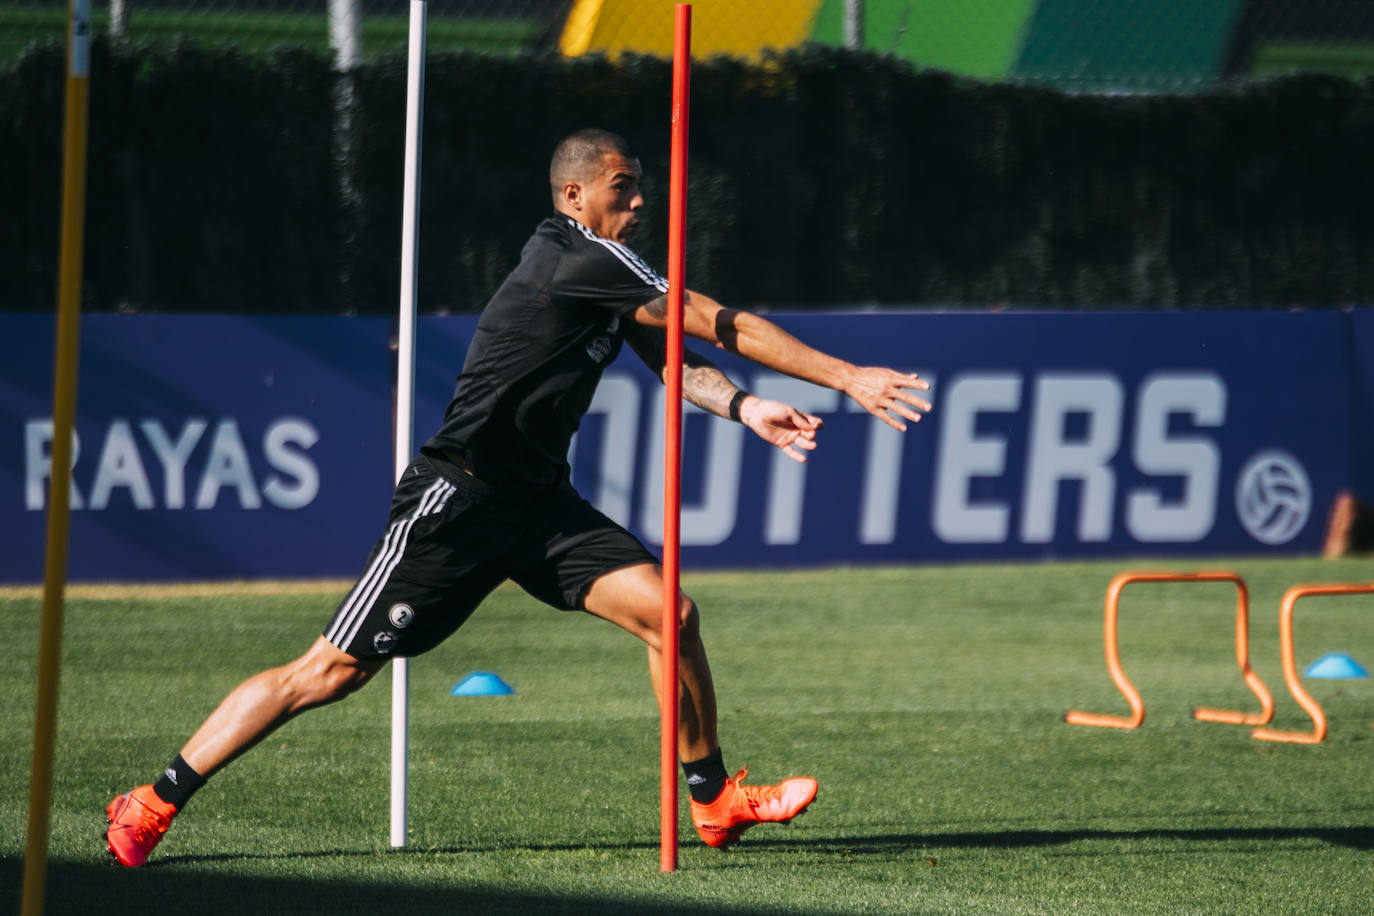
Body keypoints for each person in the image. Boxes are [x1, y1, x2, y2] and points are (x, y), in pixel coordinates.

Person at [104, 128, 932, 867]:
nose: (640, 199)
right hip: (458, 500)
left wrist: (748, 407)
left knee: (669, 616)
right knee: (329, 672)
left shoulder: (609, 277)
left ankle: (713, 800)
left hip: (539, 505)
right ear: (576, 195)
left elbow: (674, 356)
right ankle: (154, 799)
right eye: (622, 185)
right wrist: (846, 375)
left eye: (641, 185)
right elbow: (710, 318)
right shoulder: (577, 256)